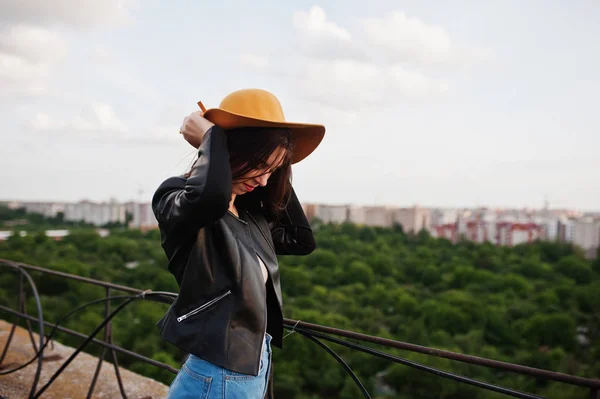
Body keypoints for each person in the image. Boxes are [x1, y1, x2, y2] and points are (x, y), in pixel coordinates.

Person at [152, 88, 325, 398]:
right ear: (229, 150)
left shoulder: (250, 213)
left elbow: (301, 239)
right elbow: (210, 198)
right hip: (218, 376)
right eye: (260, 166)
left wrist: (278, 165)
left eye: (272, 172)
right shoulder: (177, 198)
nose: (263, 181)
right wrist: (212, 137)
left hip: (253, 367)